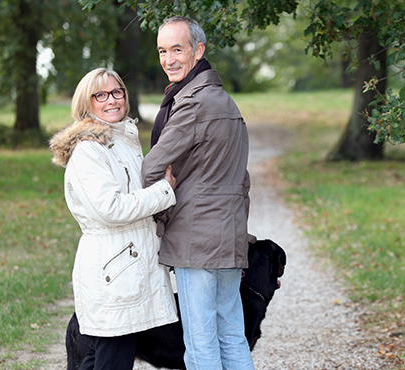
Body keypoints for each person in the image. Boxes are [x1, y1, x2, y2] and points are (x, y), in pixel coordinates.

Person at [141, 16, 254, 370]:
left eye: (177, 49)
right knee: (232, 336)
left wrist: (162, 204)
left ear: (198, 50)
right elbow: (242, 178)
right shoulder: (226, 103)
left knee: (201, 344)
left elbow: (151, 169)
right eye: (162, 50)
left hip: (196, 242)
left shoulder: (191, 104)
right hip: (229, 238)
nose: (168, 59)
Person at [49, 68, 179, 370]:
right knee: (112, 360)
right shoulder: (88, 151)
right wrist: (164, 191)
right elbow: (111, 208)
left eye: (117, 92)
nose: (112, 100)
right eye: (101, 95)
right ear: (86, 104)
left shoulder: (122, 141)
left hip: (129, 266)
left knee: (102, 360)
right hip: (113, 269)